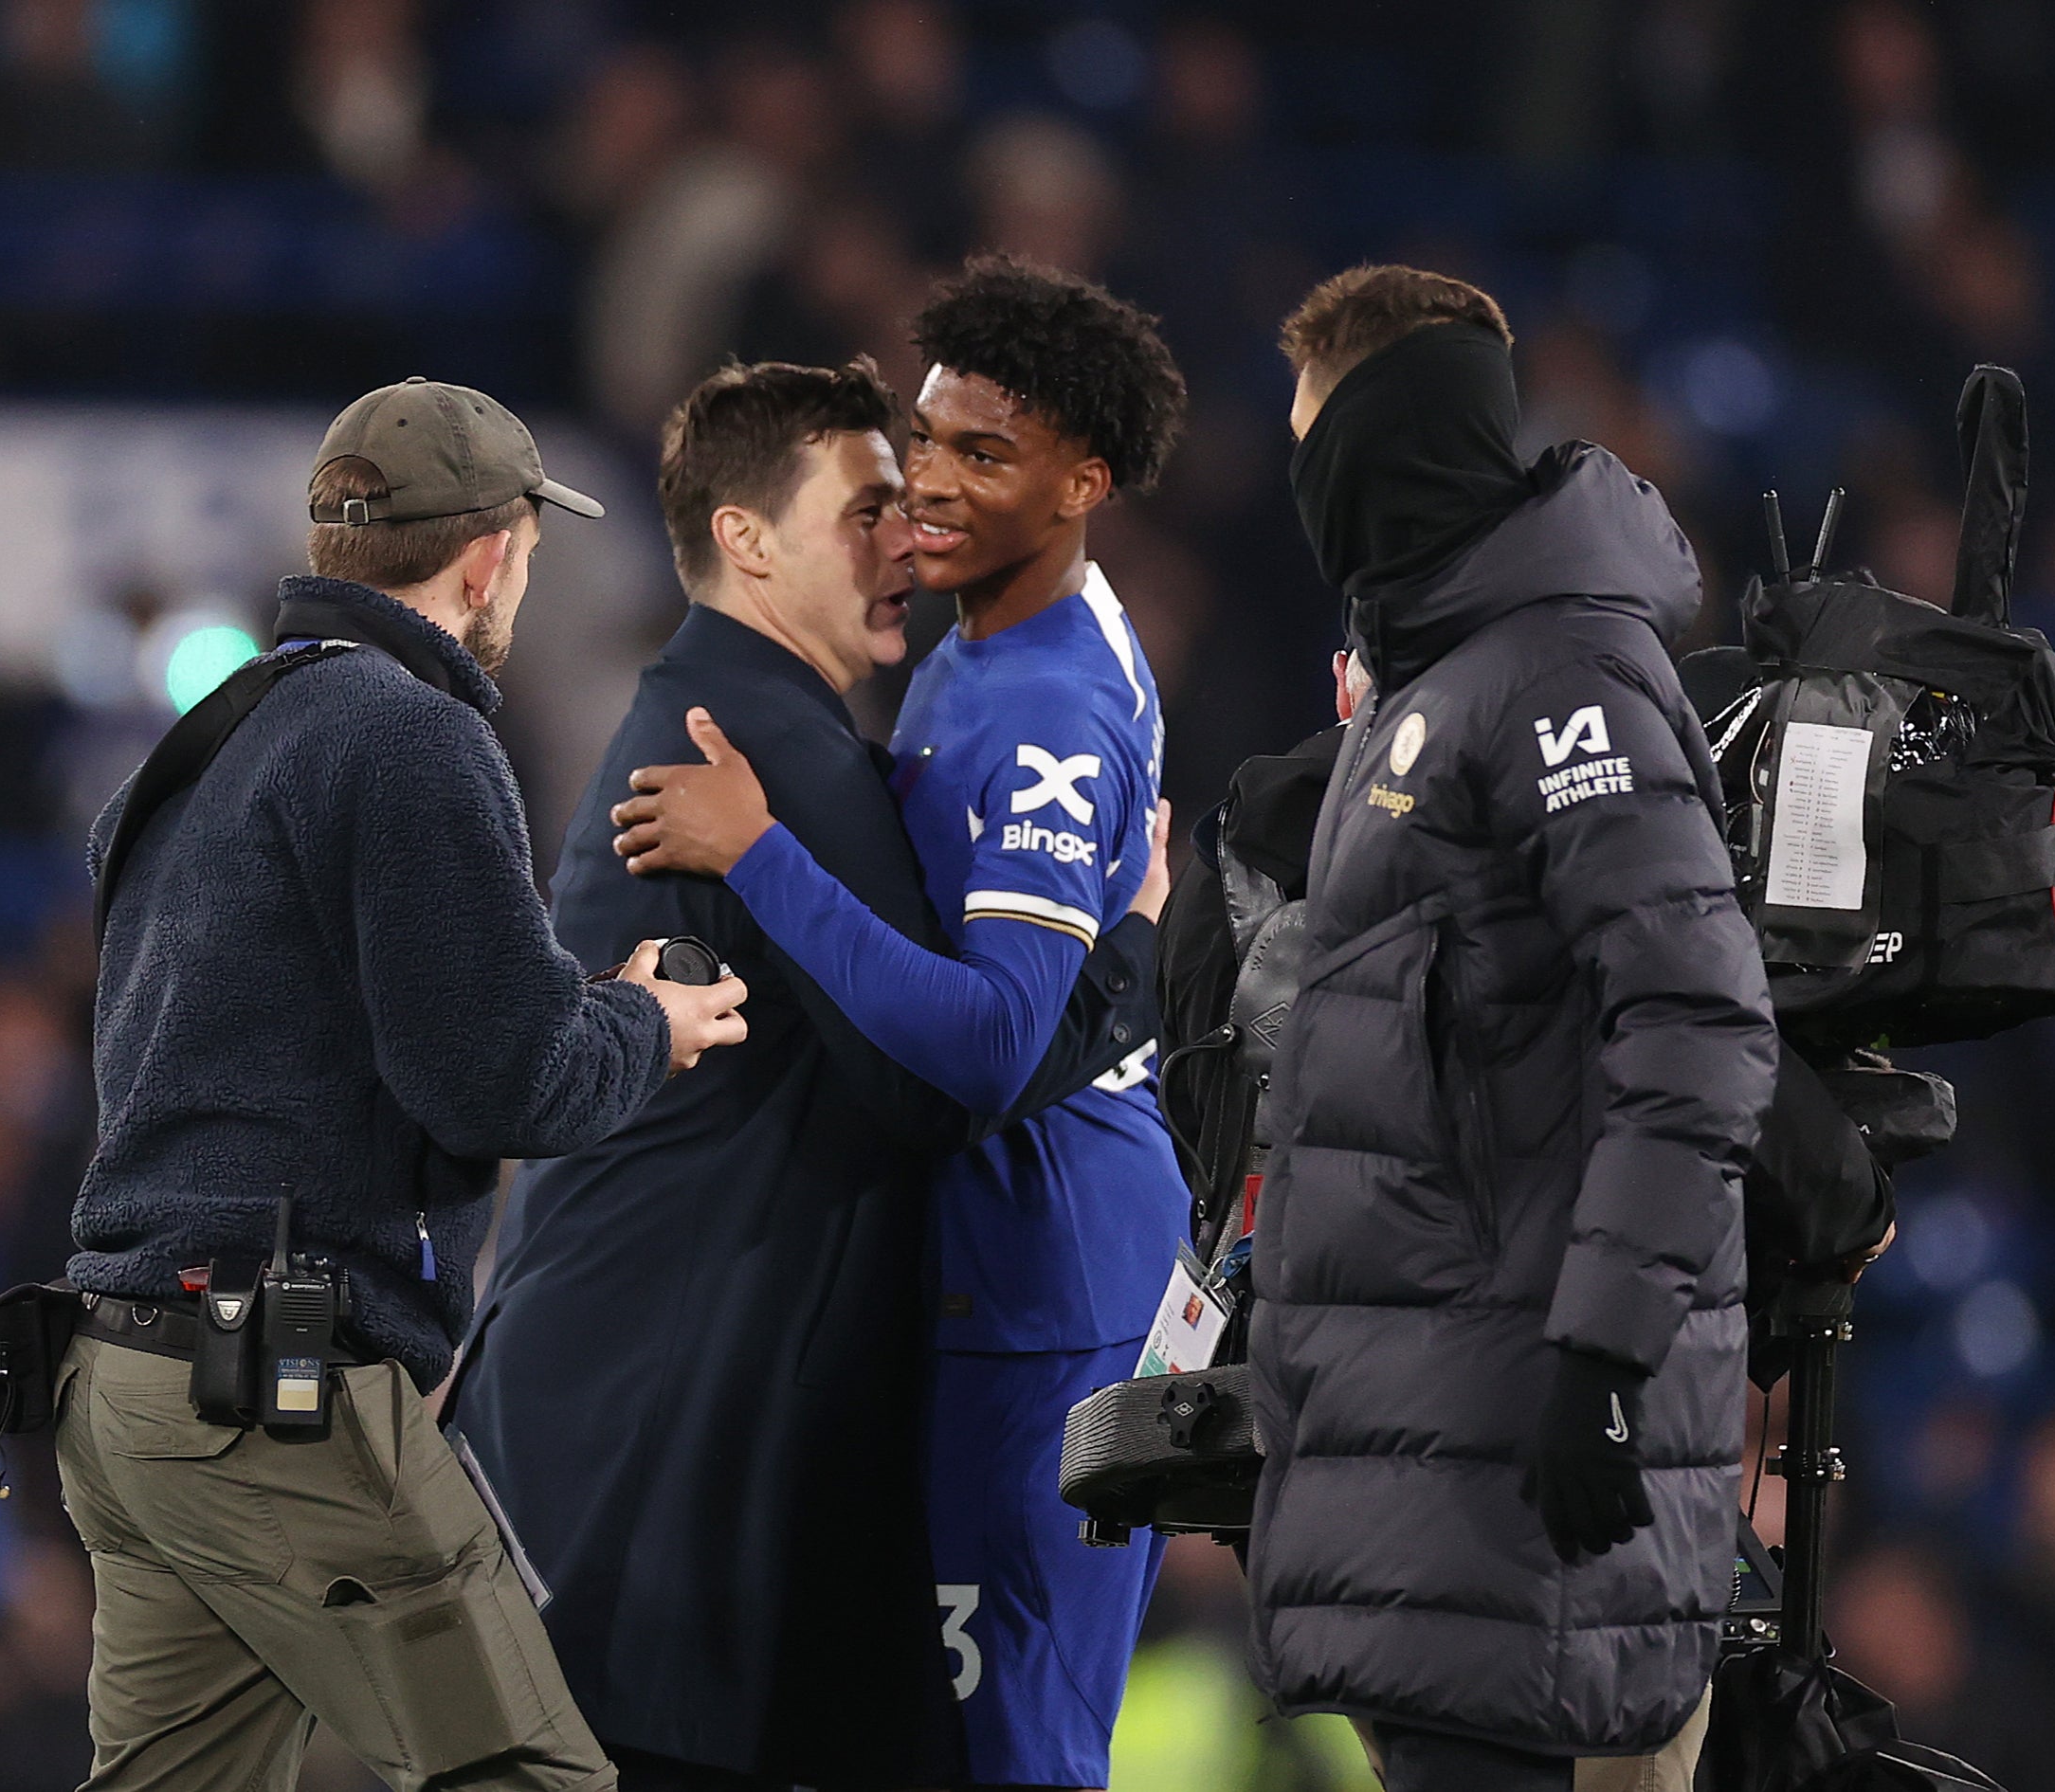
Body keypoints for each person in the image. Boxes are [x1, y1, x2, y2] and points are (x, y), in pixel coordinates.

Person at [449, 356, 1167, 1792]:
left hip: (602, 1435)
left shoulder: (714, 719)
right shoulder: (775, 757)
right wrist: (1136, 950)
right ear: (747, 539)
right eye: (866, 511)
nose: (907, 538)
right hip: (661, 1476)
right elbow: (947, 1087)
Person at [55, 377, 750, 1792]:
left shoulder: (200, 746)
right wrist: (645, 1024)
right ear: (489, 554)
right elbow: (498, 1084)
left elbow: (318, 1039)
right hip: (270, 1389)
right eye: (529, 552)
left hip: (125, 1378)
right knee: (531, 1778)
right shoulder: (413, 732)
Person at [1240, 263, 1779, 1792]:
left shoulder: (1562, 675)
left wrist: (1601, 1362)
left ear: (1384, 447)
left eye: (1313, 443)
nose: (1302, 489)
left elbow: (1697, 1025)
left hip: (1518, 1473)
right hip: (1439, 1468)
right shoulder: (1442, 679)